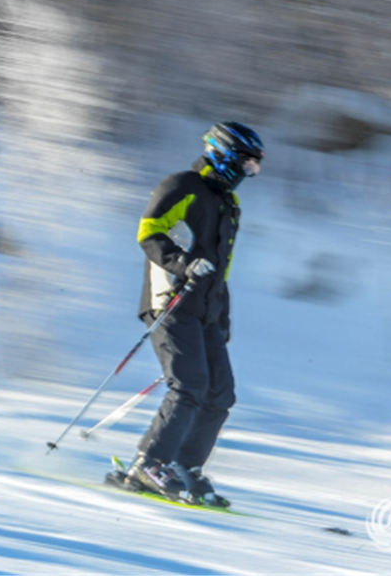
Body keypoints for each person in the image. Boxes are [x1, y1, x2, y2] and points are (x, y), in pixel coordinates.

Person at [120, 122, 264, 506]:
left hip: (206, 311)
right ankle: (149, 464)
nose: (249, 173)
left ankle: (185, 466)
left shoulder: (228, 205)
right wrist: (182, 262)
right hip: (170, 299)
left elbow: (223, 269)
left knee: (220, 392)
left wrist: (222, 316)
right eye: (247, 163)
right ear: (225, 155)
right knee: (189, 385)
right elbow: (149, 232)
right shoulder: (182, 185)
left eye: (254, 167)